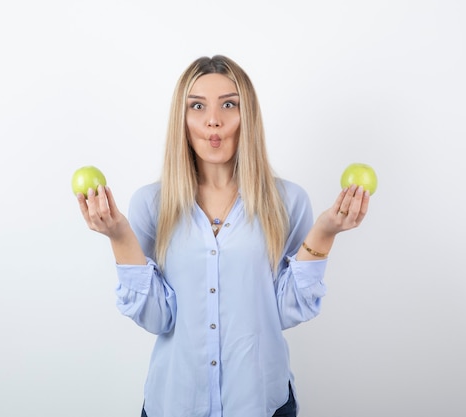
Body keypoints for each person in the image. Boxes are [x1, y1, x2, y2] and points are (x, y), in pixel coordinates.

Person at [76, 55, 370, 417]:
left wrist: (326, 232)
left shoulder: (288, 201)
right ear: (181, 121)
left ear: (248, 117)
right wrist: (118, 235)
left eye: (229, 104)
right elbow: (158, 319)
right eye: (197, 106)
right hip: (174, 404)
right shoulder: (151, 204)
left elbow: (282, 311)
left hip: (260, 404)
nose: (213, 119)